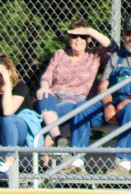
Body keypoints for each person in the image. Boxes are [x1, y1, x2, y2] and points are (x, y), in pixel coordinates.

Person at [67, 14, 131, 174]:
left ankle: (122, 164)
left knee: (130, 110)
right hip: (114, 104)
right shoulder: (117, 56)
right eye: (128, 34)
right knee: (81, 108)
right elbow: (103, 86)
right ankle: (77, 163)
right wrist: (108, 105)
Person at [35, 20, 112, 156]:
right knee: (44, 96)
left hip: (76, 103)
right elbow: (47, 75)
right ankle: (57, 138)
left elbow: (113, 48)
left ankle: (52, 136)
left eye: (82, 36)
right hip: (55, 99)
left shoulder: (94, 55)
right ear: (69, 38)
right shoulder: (60, 54)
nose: (78, 40)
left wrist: (90, 31)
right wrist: (44, 87)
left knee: (73, 112)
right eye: (74, 36)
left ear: (88, 39)